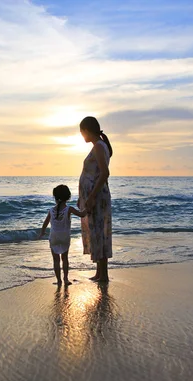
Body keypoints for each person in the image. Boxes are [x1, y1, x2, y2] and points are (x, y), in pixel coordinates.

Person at [78, 116, 113, 282]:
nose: (82, 136)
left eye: (82, 132)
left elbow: (105, 173)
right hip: (97, 197)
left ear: (86, 130)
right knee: (98, 233)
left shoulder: (99, 146)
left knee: (100, 233)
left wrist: (91, 197)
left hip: (97, 197)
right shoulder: (100, 145)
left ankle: (103, 275)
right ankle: (100, 273)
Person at [38, 184, 87, 286]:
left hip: (54, 237)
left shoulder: (51, 210)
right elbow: (82, 214)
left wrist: (42, 233)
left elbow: (45, 223)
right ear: (68, 197)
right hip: (65, 237)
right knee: (65, 259)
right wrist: (89, 206)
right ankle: (65, 279)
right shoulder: (69, 209)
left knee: (56, 260)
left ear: (55, 197)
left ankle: (58, 281)